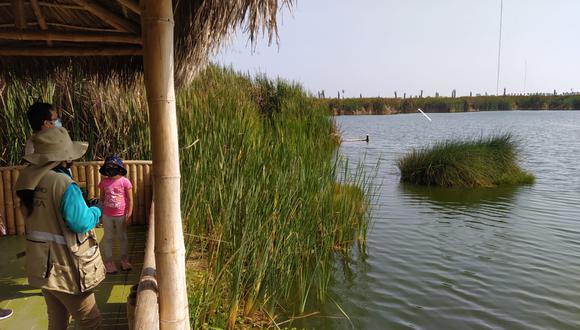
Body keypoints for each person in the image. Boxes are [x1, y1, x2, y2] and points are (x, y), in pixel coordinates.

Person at [15, 127, 104, 330]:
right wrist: (96, 210)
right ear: (64, 157)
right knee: (91, 321)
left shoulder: (28, 180)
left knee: (57, 319)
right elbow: (80, 222)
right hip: (66, 266)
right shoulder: (63, 183)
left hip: (41, 265)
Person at [98, 154, 133, 273]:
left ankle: (124, 261)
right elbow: (101, 199)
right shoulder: (103, 183)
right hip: (107, 215)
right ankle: (108, 262)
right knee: (108, 238)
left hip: (121, 215)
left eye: (113, 166)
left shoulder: (125, 182)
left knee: (122, 237)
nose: (110, 168)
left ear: (119, 168)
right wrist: (101, 214)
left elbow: (130, 199)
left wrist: (129, 214)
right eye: (108, 166)